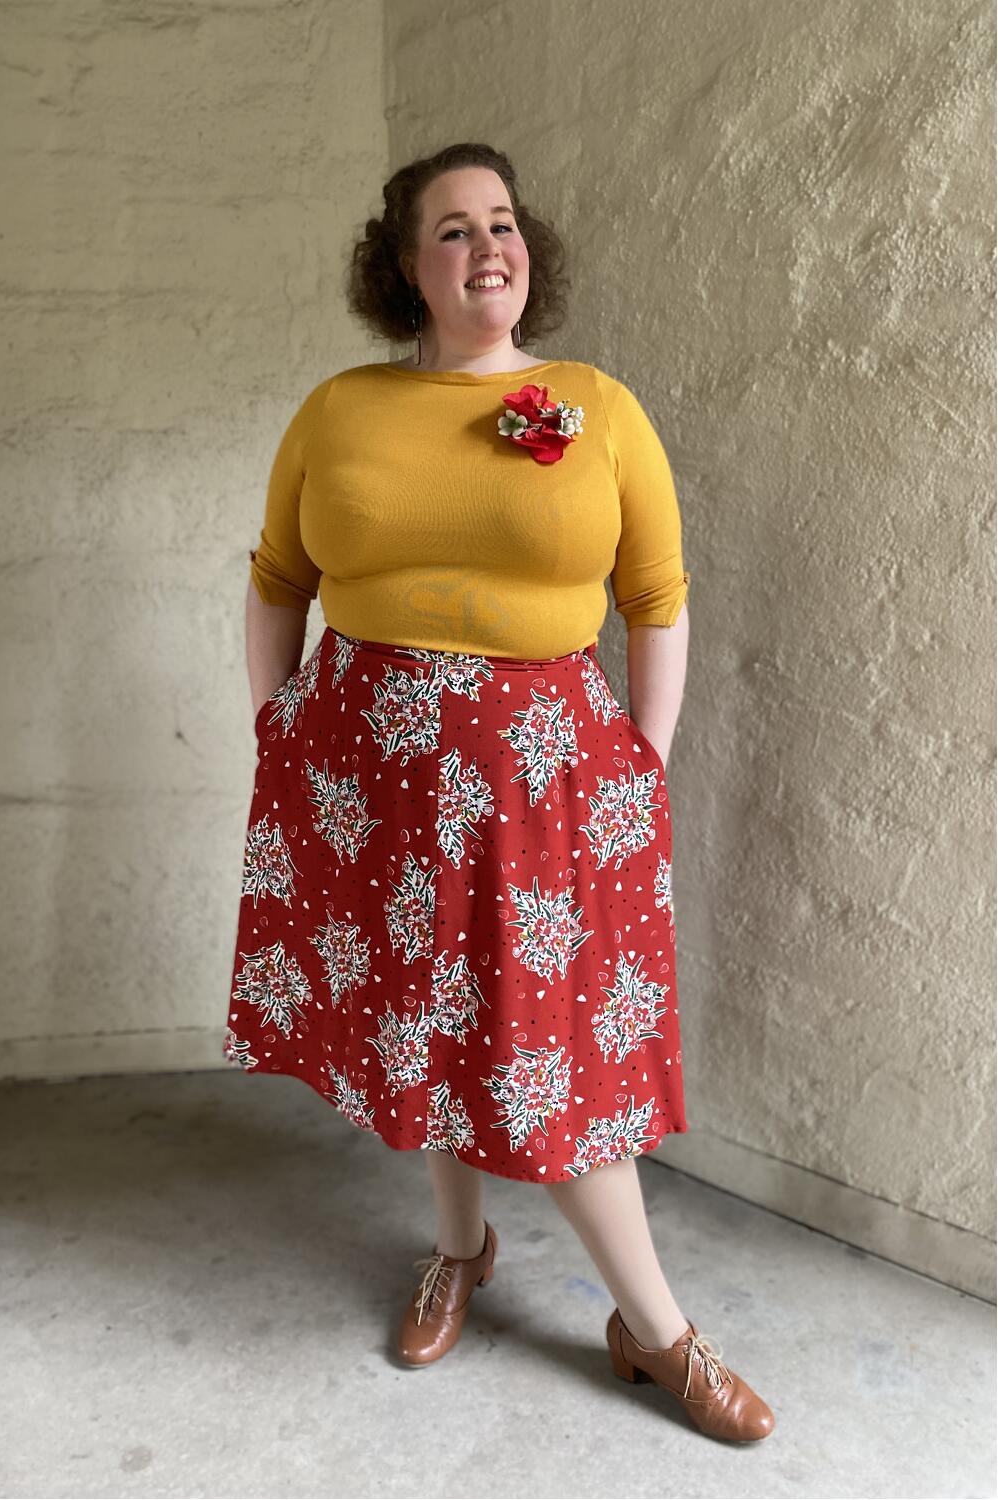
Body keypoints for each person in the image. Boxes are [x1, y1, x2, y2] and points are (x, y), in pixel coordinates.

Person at [225, 142, 774, 1443]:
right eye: (455, 228)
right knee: (430, 1021)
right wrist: (275, 725)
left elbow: (656, 596)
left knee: (546, 1058)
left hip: (545, 784)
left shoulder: (595, 407)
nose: (489, 246)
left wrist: (645, 755)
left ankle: (655, 1332)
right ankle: (460, 1251)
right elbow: (279, 579)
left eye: (504, 222)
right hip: (373, 778)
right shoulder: (340, 409)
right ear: (405, 268)